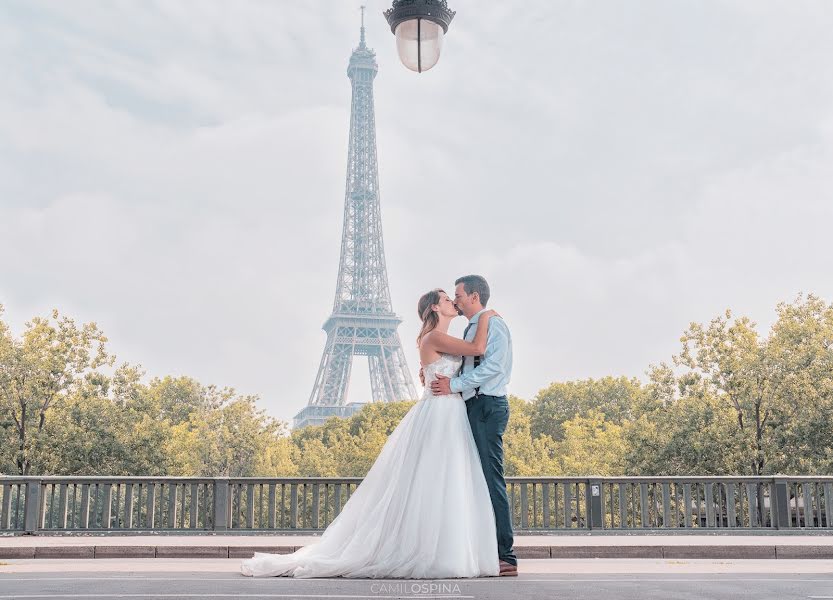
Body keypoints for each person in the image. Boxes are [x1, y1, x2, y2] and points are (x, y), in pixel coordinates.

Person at [240, 288, 501, 578]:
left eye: (454, 296)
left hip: (447, 411)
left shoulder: (438, 339)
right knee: (442, 479)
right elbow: (479, 349)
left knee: (442, 479)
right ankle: (441, 550)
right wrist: (486, 315)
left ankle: (439, 548)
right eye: (445, 298)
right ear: (436, 309)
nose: (452, 300)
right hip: (442, 412)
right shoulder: (435, 338)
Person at [429, 275, 518, 576]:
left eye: (459, 294)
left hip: (486, 405)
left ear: (474, 297)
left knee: (491, 479)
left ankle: (505, 555)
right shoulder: (473, 326)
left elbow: (494, 366)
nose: (455, 300)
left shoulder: (494, 324)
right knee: (474, 481)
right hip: (470, 405)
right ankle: (482, 550)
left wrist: (454, 384)